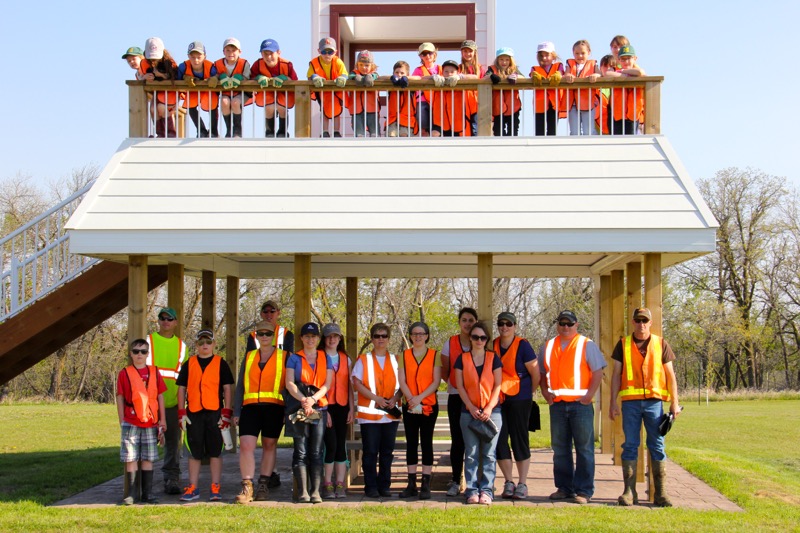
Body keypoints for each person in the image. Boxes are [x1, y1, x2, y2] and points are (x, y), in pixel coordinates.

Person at [609, 307, 681, 507]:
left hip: (654, 403)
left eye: (645, 320)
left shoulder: (660, 344)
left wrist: (674, 402)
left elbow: (670, 375)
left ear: (650, 323)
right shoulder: (622, 344)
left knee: (657, 445)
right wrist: (612, 402)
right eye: (638, 320)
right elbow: (616, 375)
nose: (641, 324)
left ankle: (661, 493)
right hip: (630, 403)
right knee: (630, 445)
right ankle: (629, 492)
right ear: (633, 322)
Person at [539, 310, 606, 504]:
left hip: (581, 406)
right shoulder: (548, 346)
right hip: (558, 405)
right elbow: (542, 373)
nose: (565, 327)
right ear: (557, 325)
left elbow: (598, 372)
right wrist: (545, 392)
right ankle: (564, 488)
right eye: (562, 323)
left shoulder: (587, 344)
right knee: (560, 449)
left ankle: (584, 491)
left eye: (569, 323)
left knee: (584, 449)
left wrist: (588, 397)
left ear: (576, 325)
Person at [175, 330, 235, 502]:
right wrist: (181, 412)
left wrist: (226, 413)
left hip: (215, 413)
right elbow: (181, 389)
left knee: (216, 452)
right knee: (194, 452)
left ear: (214, 344)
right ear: (196, 345)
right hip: (193, 413)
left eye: (208, 342)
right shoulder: (189, 363)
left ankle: (215, 486)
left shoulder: (220, 363)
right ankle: (193, 487)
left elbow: (227, 388)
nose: (205, 345)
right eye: (201, 343)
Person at [232, 320, 286, 504]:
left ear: (273, 336)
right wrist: (236, 410)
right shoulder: (248, 357)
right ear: (256, 336)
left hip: (274, 407)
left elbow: (289, 384)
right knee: (246, 446)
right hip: (249, 407)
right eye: (260, 334)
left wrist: (288, 411)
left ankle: (264, 483)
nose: (264, 337)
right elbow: (240, 385)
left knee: (269, 445)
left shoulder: (284, 356)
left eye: (268, 334)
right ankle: (247, 486)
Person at [493, 312, 540, 500]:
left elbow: (535, 373)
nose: (505, 327)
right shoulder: (493, 344)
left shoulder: (523, 345)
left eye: (509, 324)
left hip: (520, 399)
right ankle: (508, 481)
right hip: (499, 398)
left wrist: (529, 393)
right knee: (500, 439)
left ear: (515, 326)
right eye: (501, 324)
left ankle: (522, 483)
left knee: (520, 439)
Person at [455, 321, 502, 505]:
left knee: (489, 454)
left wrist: (489, 408)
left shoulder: (494, 358)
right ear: (470, 338)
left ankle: (487, 490)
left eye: (483, 337)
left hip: (492, 413)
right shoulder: (462, 358)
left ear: (487, 339)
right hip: (469, 412)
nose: (479, 340)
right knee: (472, 453)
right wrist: (470, 406)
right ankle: (472, 490)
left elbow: (498, 384)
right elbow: (459, 385)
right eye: (475, 337)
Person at [285, 322, 334, 503]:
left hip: (319, 407)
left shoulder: (325, 357)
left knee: (316, 450)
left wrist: (313, 400)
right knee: (300, 450)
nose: (310, 339)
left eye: (313, 336)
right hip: (299, 408)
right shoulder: (294, 358)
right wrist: (303, 400)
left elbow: (328, 383)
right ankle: (303, 492)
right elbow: (289, 382)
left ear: (318, 339)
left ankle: (316, 492)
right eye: (307, 336)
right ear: (302, 338)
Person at [351, 323, 401, 498]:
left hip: (390, 414)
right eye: (377, 336)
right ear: (372, 338)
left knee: (387, 452)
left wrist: (394, 399)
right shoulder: (363, 359)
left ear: (388, 339)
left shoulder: (396, 360)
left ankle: (384, 485)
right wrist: (376, 398)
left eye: (384, 336)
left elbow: (403, 384)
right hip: (370, 415)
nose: (381, 339)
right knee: (371, 452)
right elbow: (357, 383)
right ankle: (371, 486)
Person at [116, 338, 167, 505]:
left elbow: (160, 397)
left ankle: (147, 494)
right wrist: (121, 419)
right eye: (136, 351)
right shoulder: (124, 373)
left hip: (151, 421)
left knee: (148, 457)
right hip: (131, 421)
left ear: (147, 354)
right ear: (131, 354)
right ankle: (131, 494)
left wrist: (162, 420)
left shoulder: (154, 371)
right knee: (130, 457)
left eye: (143, 351)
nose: (139, 355)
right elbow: (120, 397)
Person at [397, 321, 441, 500]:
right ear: (410, 336)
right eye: (414, 333)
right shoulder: (403, 355)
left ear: (427, 335)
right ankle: (411, 484)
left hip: (428, 405)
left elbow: (436, 381)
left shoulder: (434, 355)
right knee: (411, 443)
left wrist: (420, 398)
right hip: (410, 405)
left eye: (421, 333)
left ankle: (426, 484)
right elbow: (402, 380)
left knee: (426, 442)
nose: (418, 336)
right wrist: (411, 399)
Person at [146, 307, 187, 495]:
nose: (165, 321)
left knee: (173, 443)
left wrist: (182, 406)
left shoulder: (182, 346)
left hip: (172, 403)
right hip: (149, 403)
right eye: (162, 318)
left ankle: (172, 478)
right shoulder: (149, 341)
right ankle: (141, 480)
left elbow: (184, 378)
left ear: (176, 322)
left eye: (170, 318)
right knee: (145, 442)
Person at [440, 307, 477, 497]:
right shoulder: (450, 343)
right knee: (458, 440)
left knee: (477, 439)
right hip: (456, 396)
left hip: (477, 398)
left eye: (471, 320)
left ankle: (476, 482)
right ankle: (455, 480)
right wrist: (458, 386)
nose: (468, 323)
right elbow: (445, 370)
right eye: (464, 320)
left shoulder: (479, 340)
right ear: (459, 322)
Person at [319, 323, 353, 499]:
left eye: (335, 336)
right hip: (326, 407)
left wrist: (351, 409)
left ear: (340, 339)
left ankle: (340, 483)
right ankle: (327, 483)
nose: (332, 339)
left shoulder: (345, 358)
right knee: (330, 445)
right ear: (324, 338)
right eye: (328, 336)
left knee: (341, 445)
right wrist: (325, 410)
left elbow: (349, 387)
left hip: (342, 406)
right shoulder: (319, 357)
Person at [250, 38, 298, 138]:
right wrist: (258, 78)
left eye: (271, 53)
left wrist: (284, 78)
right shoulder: (257, 64)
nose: (268, 57)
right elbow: (250, 77)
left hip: (283, 94)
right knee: (268, 108)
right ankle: (269, 132)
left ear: (278, 53)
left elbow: (295, 81)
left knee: (282, 108)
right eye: (265, 54)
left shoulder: (287, 64)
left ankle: (283, 132)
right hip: (267, 95)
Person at [177, 41, 219, 138]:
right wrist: (184, 78)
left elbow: (218, 75)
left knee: (213, 106)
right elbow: (177, 80)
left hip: (209, 91)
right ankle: (201, 130)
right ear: (188, 56)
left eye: (199, 57)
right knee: (191, 107)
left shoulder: (211, 67)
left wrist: (215, 78)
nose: (196, 60)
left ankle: (213, 131)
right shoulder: (183, 67)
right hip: (193, 91)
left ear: (205, 56)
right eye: (193, 57)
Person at [308, 37, 348, 137]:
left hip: (335, 92)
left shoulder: (338, 61)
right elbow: (310, 75)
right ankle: (325, 131)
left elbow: (344, 73)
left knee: (337, 112)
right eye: (324, 51)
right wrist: (315, 77)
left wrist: (342, 78)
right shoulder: (314, 62)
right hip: (322, 92)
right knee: (324, 111)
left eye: (330, 52)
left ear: (335, 52)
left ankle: (336, 131)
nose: (327, 54)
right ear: (319, 51)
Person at [141, 37, 178, 138]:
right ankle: (160, 133)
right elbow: (141, 77)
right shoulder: (145, 63)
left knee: (161, 108)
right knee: (153, 109)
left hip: (170, 93)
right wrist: (144, 77)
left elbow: (176, 78)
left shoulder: (169, 63)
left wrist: (161, 75)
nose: (153, 60)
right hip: (157, 93)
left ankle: (170, 133)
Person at [214, 37, 250, 138]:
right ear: (223, 52)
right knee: (224, 102)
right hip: (226, 93)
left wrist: (240, 78)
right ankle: (229, 129)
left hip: (241, 93)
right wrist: (220, 77)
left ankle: (237, 130)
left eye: (234, 50)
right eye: (228, 50)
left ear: (239, 52)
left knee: (235, 102)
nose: (231, 53)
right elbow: (213, 76)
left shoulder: (244, 63)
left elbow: (248, 77)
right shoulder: (217, 64)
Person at [562, 40, 600, 136]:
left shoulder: (593, 64)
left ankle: (592, 146)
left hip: (588, 102)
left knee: (588, 131)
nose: (580, 56)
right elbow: (566, 74)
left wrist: (595, 75)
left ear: (589, 53)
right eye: (577, 53)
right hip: (573, 103)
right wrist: (568, 76)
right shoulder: (570, 64)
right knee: (574, 132)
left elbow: (599, 74)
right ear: (573, 53)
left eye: (583, 53)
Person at [605, 45, 645, 135]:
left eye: (629, 58)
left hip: (633, 112)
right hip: (617, 111)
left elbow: (640, 72)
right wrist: (623, 75)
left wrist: (623, 71)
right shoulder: (615, 69)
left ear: (635, 58)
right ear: (618, 60)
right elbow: (607, 73)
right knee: (616, 138)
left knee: (631, 137)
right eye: (623, 59)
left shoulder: (636, 70)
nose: (626, 61)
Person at [530, 41, 565, 136]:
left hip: (554, 102)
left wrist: (558, 74)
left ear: (553, 55)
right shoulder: (535, 68)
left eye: (547, 55)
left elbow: (561, 72)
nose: (544, 58)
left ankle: (551, 147)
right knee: (539, 129)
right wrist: (534, 75)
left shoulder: (558, 66)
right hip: (540, 102)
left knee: (552, 129)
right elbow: (532, 74)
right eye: (541, 55)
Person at [486, 47, 522, 137]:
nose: (504, 62)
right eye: (501, 59)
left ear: (511, 61)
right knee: (498, 130)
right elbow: (485, 76)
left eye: (507, 59)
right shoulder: (492, 69)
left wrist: (515, 76)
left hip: (513, 106)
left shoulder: (514, 70)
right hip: (498, 106)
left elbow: (523, 78)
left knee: (513, 130)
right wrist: (492, 76)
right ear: (497, 60)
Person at [429, 60, 469, 137]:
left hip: (457, 122)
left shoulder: (461, 82)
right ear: (442, 72)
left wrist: (460, 77)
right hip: (440, 121)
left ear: (457, 72)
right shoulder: (438, 81)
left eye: (452, 71)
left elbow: (475, 77)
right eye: (446, 71)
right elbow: (421, 78)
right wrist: (432, 77)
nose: (449, 74)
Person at [346, 50, 381, 137]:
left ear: (372, 66)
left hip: (372, 108)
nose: (364, 67)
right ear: (357, 65)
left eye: (367, 65)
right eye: (361, 65)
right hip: (356, 109)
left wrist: (370, 77)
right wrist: (355, 78)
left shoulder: (374, 74)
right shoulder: (353, 73)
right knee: (359, 133)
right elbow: (349, 77)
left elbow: (376, 76)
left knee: (374, 132)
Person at [412, 42, 444, 136]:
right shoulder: (418, 70)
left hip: (439, 100)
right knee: (424, 127)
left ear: (435, 54)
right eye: (424, 54)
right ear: (420, 56)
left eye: (429, 53)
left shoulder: (441, 68)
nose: (427, 56)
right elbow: (414, 80)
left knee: (438, 126)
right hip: (423, 100)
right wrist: (430, 78)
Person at [458, 39, 487, 136]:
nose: (468, 53)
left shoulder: (480, 69)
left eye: (470, 51)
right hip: (462, 104)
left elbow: (483, 80)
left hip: (476, 104)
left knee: (475, 130)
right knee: (463, 130)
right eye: (465, 51)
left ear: (474, 52)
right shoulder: (458, 68)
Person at [387, 60, 417, 137]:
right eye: (396, 72)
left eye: (402, 73)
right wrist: (392, 78)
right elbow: (380, 78)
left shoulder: (412, 84)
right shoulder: (390, 83)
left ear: (407, 74)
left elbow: (419, 78)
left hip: (407, 120)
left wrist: (407, 79)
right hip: (392, 120)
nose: (399, 75)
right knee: (391, 136)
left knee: (405, 137)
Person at [594, 55, 616, 135]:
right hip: (597, 125)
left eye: (611, 66)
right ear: (600, 68)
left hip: (614, 124)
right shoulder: (595, 84)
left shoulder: (618, 85)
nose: (608, 69)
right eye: (605, 66)